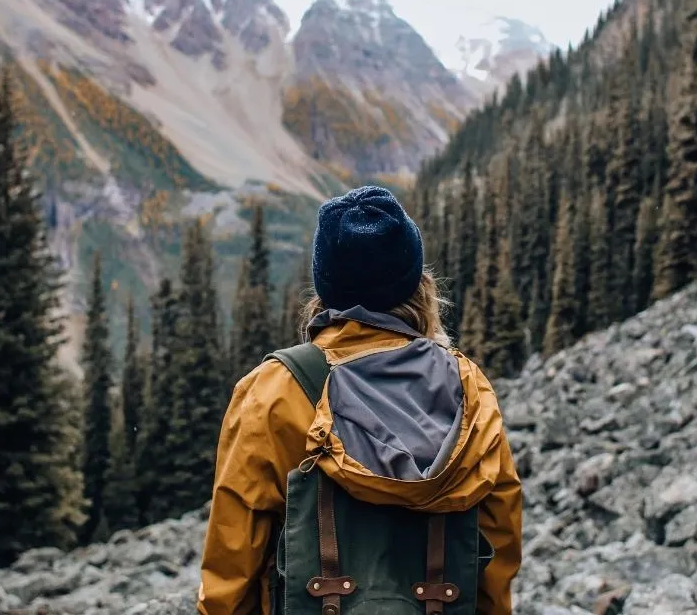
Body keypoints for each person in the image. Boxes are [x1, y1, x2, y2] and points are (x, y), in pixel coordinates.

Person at [198, 185, 523, 615]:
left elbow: (233, 565)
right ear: (417, 285)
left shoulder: (274, 391)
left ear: (325, 288)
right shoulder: (468, 388)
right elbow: (496, 544)